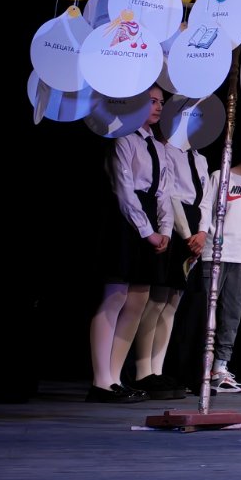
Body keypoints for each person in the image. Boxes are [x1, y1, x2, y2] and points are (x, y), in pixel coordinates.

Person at [86, 84, 172, 403]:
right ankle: (101, 381)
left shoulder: (158, 146)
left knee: (138, 299)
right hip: (126, 221)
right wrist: (147, 231)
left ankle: (115, 376)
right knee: (116, 295)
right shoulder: (123, 139)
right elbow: (124, 190)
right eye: (152, 101)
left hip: (150, 221)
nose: (158, 107)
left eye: (161, 102)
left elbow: (163, 192)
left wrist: (165, 230)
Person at [171, 138, 241, 394]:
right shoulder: (220, 176)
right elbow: (206, 209)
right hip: (213, 253)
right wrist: (202, 235)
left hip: (240, 255)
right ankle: (197, 369)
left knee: (232, 313)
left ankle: (220, 367)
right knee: (206, 312)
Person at [128, 122, 210, 401]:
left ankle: (158, 368)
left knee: (172, 304)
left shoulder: (200, 158)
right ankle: (144, 370)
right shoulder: (167, 151)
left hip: (196, 229)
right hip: (175, 227)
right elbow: (171, 195)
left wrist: (203, 232)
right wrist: (187, 235)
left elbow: (206, 199)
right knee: (157, 300)